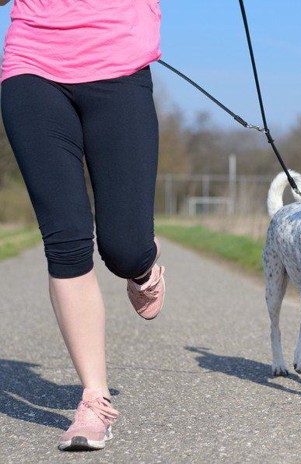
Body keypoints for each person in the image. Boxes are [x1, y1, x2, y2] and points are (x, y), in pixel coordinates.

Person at [1, 0, 165, 451]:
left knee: (124, 248)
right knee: (66, 240)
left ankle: (142, 265)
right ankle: (94, 399)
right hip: (31, 69)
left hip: (119, 68)